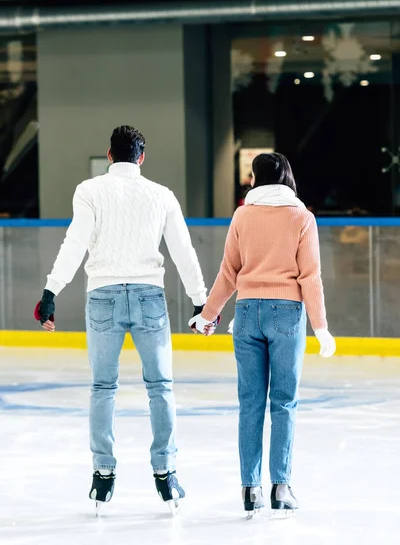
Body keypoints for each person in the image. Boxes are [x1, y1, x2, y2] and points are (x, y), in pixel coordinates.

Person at [34, 125, 208, 515]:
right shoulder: (160, 195)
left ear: (109, 155)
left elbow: (74, 242)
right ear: (141, 158)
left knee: (102, 388)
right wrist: (201, 301)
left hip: (103, 297)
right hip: (149, 297)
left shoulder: (89, 190)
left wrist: (51, 291)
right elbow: (183, 249)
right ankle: (166, 474)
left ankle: (103, 475)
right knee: (161, 387)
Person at [190, 153, 335, 518]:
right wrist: (321, 327)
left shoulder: (243, 215)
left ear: (255, 178)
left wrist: (207, 315)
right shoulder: (301, 217)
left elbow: (228, 272)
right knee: (283, 402)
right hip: (287, 314)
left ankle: (250, 490)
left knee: (250, 403)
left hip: (247, 313)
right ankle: (281, 487)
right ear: (287, 176)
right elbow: (310, 277)